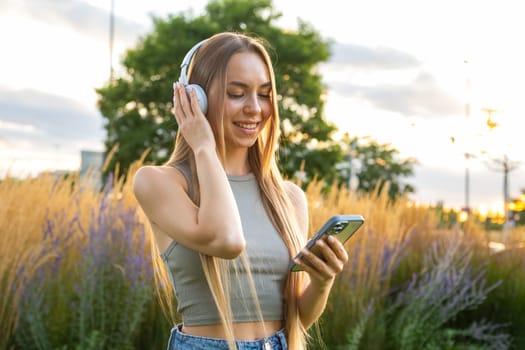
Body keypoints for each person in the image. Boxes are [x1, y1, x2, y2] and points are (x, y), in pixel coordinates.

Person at [133, 31, 349, 350]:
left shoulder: (289, 198)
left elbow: (297, 318)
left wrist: (323, 281)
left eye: (264, 94)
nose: (255, 108)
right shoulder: (159, 182)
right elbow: (226, 240)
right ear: (196, 98)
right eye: (237, 93)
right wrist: (204, 146)